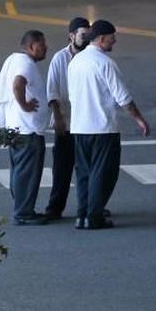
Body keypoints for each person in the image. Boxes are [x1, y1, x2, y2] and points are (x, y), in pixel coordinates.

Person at [67, 20, 150, 230]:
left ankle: (82, 215)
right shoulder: (105, 63)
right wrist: (139, 118)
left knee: (84, 174)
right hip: (103, 128)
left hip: (79, 127)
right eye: (113, 37)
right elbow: (123, 98)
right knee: (103, 174)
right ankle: (94, 217)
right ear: (102, 39)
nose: (115, 40)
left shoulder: (75, 62)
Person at [0, 30, 49, 225]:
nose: (46, 48)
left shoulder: (14, 59)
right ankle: (24, 213)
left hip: (16, 127)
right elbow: (18, 84)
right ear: (32, 46)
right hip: (27, 129)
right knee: (28, 172)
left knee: (19, 171)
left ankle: (23, 208)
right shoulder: (25, 63)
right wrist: (25, 105)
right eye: (42, 44)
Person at [43, 16, 91, 220]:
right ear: (71, 36)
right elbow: (52, 92)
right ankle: (55, 207)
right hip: (67, 123)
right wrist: (59, 118)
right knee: (62, 169)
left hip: (87, 124)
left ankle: (90, 205)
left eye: (88, 35)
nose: (86, 39)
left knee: (87, 168)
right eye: (82, 35)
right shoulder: (60, 58)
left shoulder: (91, 56)